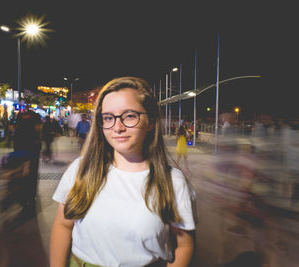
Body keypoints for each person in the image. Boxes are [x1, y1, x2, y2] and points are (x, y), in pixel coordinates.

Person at [50, 77, 195, 267]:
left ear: (151, 122)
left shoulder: (172, 181)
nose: (118, 127)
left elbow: (184, 245)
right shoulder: (81, 169)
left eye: (129, 116)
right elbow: (63, 225)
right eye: (108, 118)